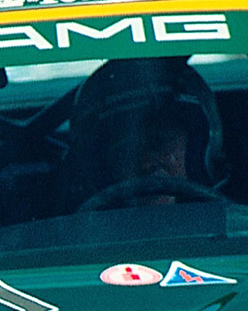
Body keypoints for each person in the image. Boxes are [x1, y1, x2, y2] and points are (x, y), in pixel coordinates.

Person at [70, 55, 224, 206]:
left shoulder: (238, 226)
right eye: (127, 149)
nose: (146, 164)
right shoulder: (74, 231)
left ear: (200, 148)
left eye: (160, 142)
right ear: (100, 164)